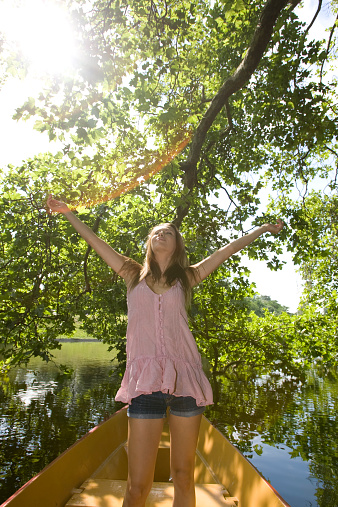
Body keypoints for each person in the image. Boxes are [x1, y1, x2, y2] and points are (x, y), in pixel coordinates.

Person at [46, 194, 284, 507]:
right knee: (137, 487)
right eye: (156, 232)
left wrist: (261, 230)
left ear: (177, 246)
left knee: (184, 476)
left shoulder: (188, 277)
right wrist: (69, 213)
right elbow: (94, 240)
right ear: (148, 243)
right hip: (145, 385)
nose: (161, 234)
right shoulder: (132, 274)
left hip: (185, 381)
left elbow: (227, 250)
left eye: (168, 232)